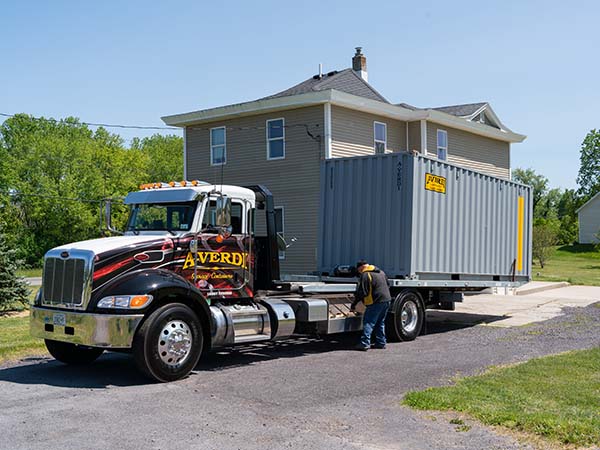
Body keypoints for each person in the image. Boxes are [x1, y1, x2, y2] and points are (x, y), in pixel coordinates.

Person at [351, 260, 392, 351]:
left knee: (368, 322)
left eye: (359, 270)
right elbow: (388, 285)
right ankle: (381, 342)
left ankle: (365, 343)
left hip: (376, 301)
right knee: (380, 322)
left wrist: (354, 304)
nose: (359, 272)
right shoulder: (381, 272)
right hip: (386, 300)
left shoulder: (365, 275)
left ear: (361, 267)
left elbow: (362, 292)